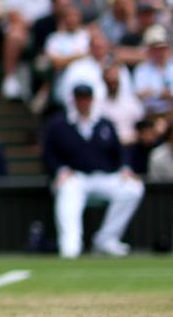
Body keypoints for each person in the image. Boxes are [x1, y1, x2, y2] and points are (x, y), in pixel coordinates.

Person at [42, 83, 145, 258]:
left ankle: (106, 240)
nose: (83, 102)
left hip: (104, 178)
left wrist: (125, 169)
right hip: (75, 179)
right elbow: (48, 155)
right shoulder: (58, 125)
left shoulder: (105, 123)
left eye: (86, 98)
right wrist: (60, 171)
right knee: (68, 190)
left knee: (133, 189)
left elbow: (119, 152)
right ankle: (70, 247)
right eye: (79, 98)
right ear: (73, 100)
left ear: (92, 100)